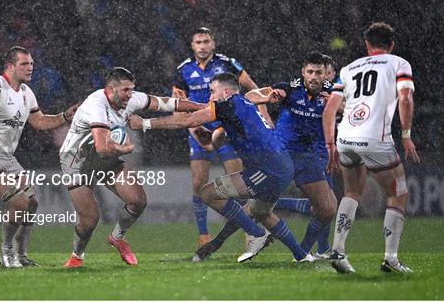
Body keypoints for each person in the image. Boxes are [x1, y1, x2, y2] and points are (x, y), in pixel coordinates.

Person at [131, 73, 314, 263]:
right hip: (281, 165)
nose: (210, 97)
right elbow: (214, 133)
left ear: (226, 92)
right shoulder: (242, 104)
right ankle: (302, 256)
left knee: (207, 193)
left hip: (268, 169)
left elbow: (188, 121)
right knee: (262, 212)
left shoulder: (229, 105)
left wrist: (144, 123)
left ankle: (256, 233)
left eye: (212, 91)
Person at [193, 52, 338, 262]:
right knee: (254, 209)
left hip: (310, 157)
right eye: (311, 72)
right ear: (304, 73)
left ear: (327, 75)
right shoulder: (290, 88)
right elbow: (249, 97)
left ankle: (305, 252)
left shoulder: (333, 95)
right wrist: (267, 96)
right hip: (282, 153)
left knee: (326, 209)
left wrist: (337, 106)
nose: (315, 77)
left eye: (321, 73)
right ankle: (216, 243)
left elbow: (353, 112)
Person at [60, 67, 204, 268]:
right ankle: (77, 255)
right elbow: (102, 147)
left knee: (138, 201)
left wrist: (201, 106)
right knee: (90, 220)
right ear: (110, 89)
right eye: (125, 90)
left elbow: (164, 102)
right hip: (77, 163)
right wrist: (125, 148)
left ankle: (117, 237)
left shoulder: (130, 98)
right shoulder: (96, 105)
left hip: (104, 160)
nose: (130, 95)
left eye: (131, 89)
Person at [0, 46, 78, 267]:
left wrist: (65, 116)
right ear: (10, 67)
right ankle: (6, 254)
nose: (30, 68)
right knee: (18, 201)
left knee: (32, 203)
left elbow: (39, 121)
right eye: (24, 64)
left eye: (32, 64)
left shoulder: (26, 92)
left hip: (8, 159)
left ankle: (21, 255)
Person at [323, 22, 420, 273]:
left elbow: (330, 109)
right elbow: (406, 97)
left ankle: (338, 250)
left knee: (351, 192)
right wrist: (407, 135)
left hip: (346, 138)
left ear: (367, 45)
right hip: (376, 139)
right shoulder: (399, 63)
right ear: (392, 44)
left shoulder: (348, 68)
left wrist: (331, 144)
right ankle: (390, 258)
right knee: (398, 193)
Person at [172, 27, 269, 247]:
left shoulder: (227, 63)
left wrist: (264, 117)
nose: (203, 46)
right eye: (198, 42)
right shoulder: (183, 70)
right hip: (199, 130)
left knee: (238, 181)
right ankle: (203, 235)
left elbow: (254, 89)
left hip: (226, 130)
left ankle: (250, 233)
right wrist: (196, 133)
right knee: (198, 183)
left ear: (213, 43)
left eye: (206, 41)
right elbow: (177, 107)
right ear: (192, 45)